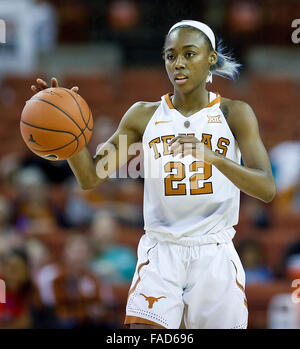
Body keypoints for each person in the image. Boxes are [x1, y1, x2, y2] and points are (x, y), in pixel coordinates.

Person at [31, 20, 276, 329]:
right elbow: (90, 177)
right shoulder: (143, 115)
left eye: (190, 54)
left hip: (214, 252)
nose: (179, 64)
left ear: (211, 58)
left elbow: (267, 188)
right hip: (161, 252)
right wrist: (64, 130)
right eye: (171, 55)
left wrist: (213, 157)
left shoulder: (234, 113)